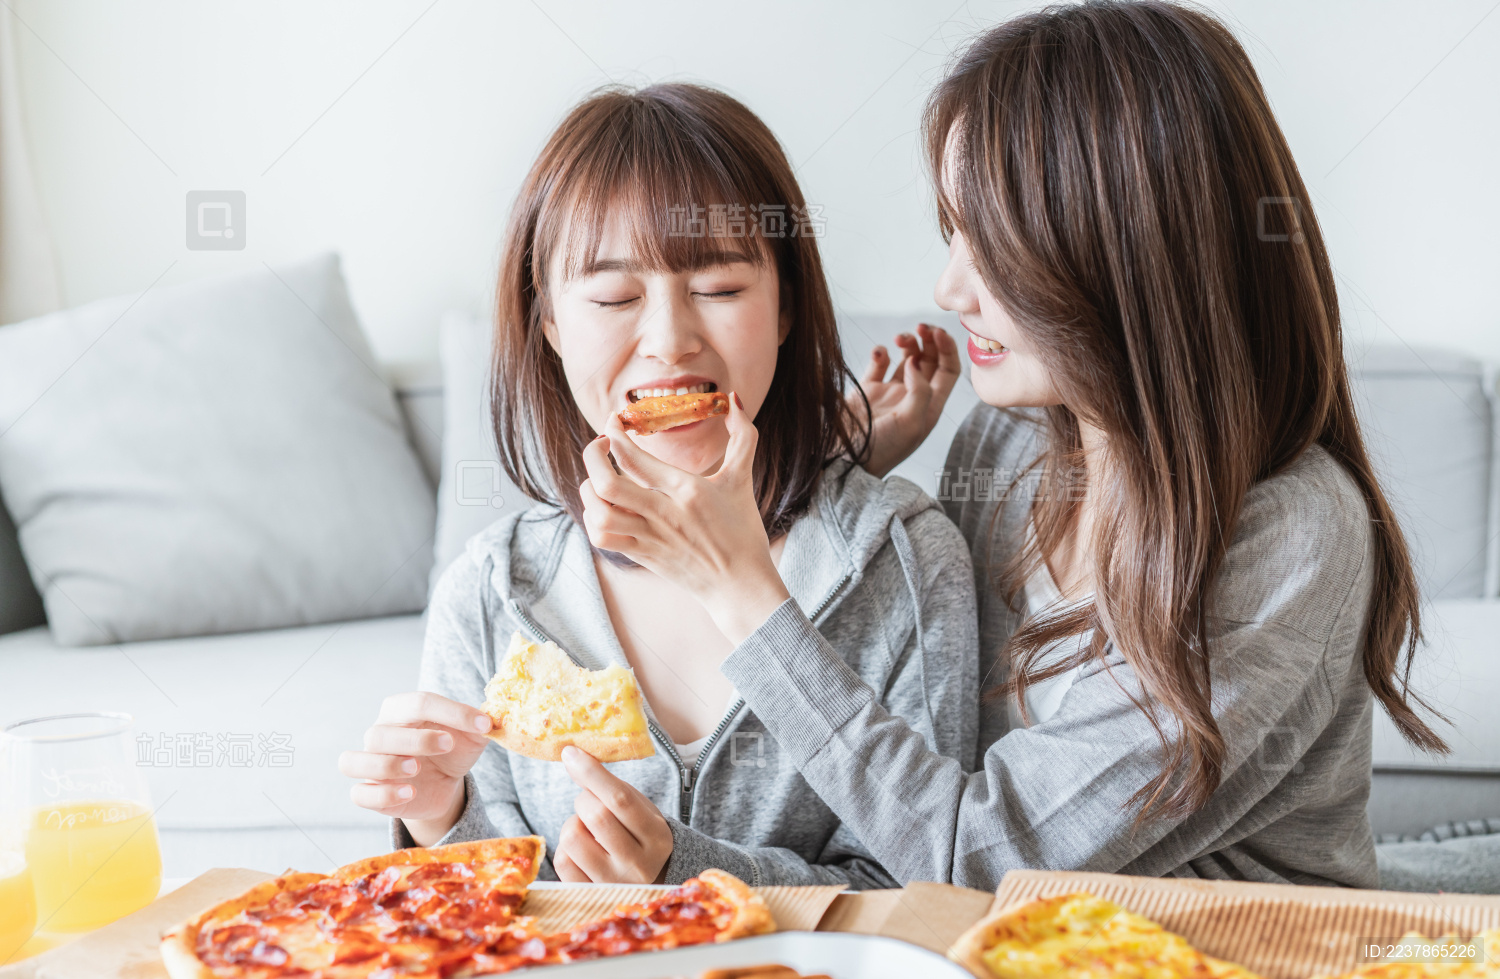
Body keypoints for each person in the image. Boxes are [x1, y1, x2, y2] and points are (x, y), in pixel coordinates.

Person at [577, 1, 1446, 890]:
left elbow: (980, 855)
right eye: (953, 231)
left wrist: (743, 591)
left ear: (1131, 252)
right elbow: (916, 771)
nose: (951, 286)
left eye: (997, 245)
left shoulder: (1291, 534)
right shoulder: (1008, 444)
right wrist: (827, 473)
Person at [338, 83, 979, 888]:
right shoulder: (490, 593)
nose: (671, 341)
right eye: (613, 297)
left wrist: (691, 870)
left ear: (786, 307)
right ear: (551, 328)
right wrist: (437, 817)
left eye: (719, 289)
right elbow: (485, 899)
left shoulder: (904, 560)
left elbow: (930, 887)